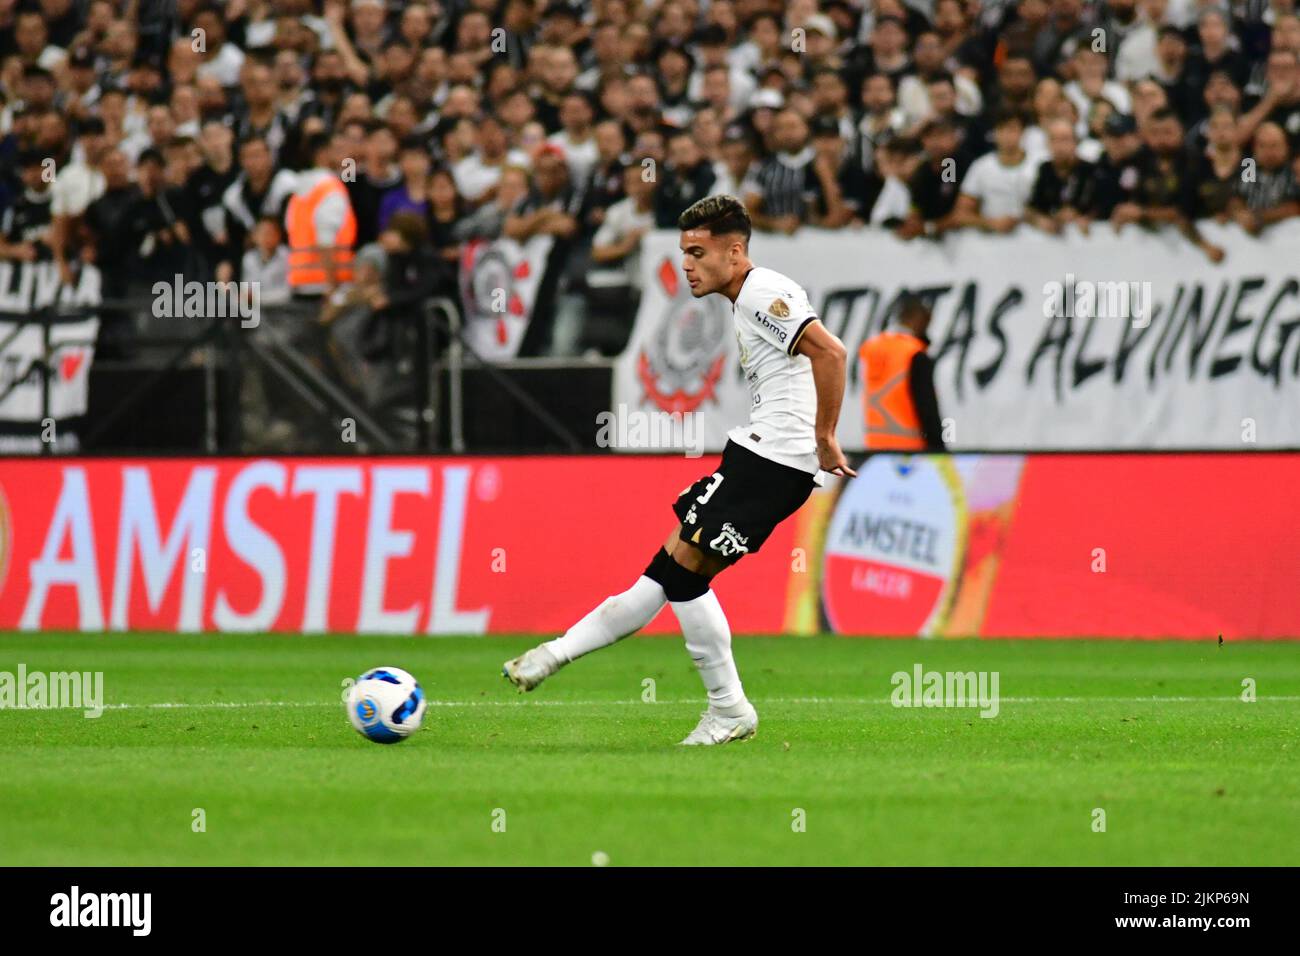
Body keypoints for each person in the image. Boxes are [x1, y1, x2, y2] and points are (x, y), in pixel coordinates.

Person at [503, 195, 855, 746]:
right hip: (758, 454)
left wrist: (824, 437)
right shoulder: (747, 297)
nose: (687, 264)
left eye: (698, 252)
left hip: (776, 459)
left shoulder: (763, 290)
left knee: (685, 575)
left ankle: (729, 709)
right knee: (666, 574)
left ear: (735, 251)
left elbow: (831, 354)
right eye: (683, 252)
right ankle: (551, 656)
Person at [859, 296, 947, 452]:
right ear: (919, 320)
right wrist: (939, 449)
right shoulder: (914, 354)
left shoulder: (872, 348)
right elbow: (927, 408)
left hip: (875, 449)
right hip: (910, 452)